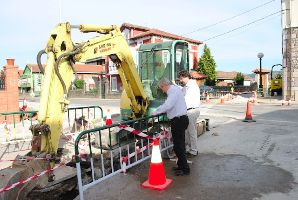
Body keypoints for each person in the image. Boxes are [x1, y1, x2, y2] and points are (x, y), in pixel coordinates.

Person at [153, 78, 190, 176]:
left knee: (179, 146)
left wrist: (156, 112)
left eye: (161, 88)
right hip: (180, 119)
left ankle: (185, 169)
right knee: (178, 145)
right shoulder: (176, 89)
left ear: (164, 85)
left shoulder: (172, 91)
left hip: (178, 121)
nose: (162, 90)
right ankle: (181, 165)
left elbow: (168, 105)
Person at [178, 70, 200, 157]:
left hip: (192, 111)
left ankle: (194, 150)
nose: (180, 80)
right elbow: (181, 92)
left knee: (191, 132)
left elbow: (185, 100)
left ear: (185, 77)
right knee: (187, 132)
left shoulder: (191, 87)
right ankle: (189, 149)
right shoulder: (187, 86)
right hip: (188, 111)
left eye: (181, 78)